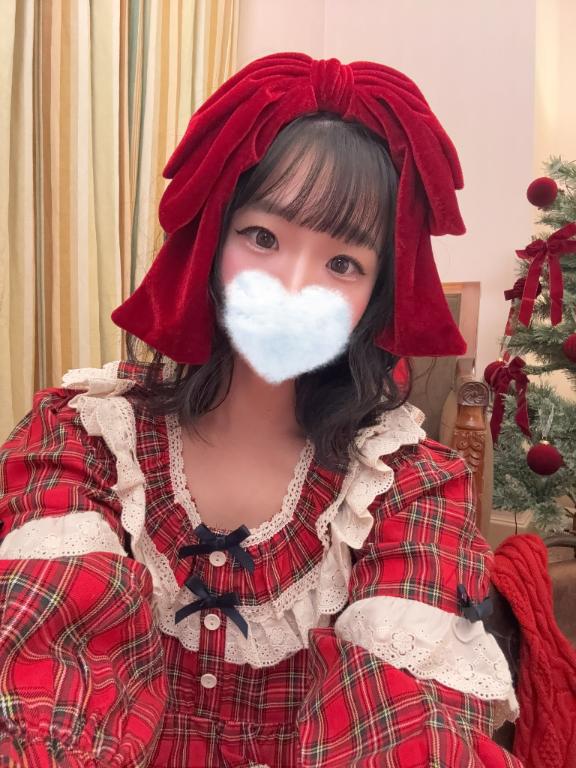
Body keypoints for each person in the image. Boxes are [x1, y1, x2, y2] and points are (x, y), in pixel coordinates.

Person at [0, 53, 522, 767]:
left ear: (377, 296)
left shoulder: (408, 489)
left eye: (343, 264)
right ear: (210, 241)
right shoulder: (82, 437)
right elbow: (46, 672)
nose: (293, 288)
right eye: (263, 238)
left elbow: (405, 728)